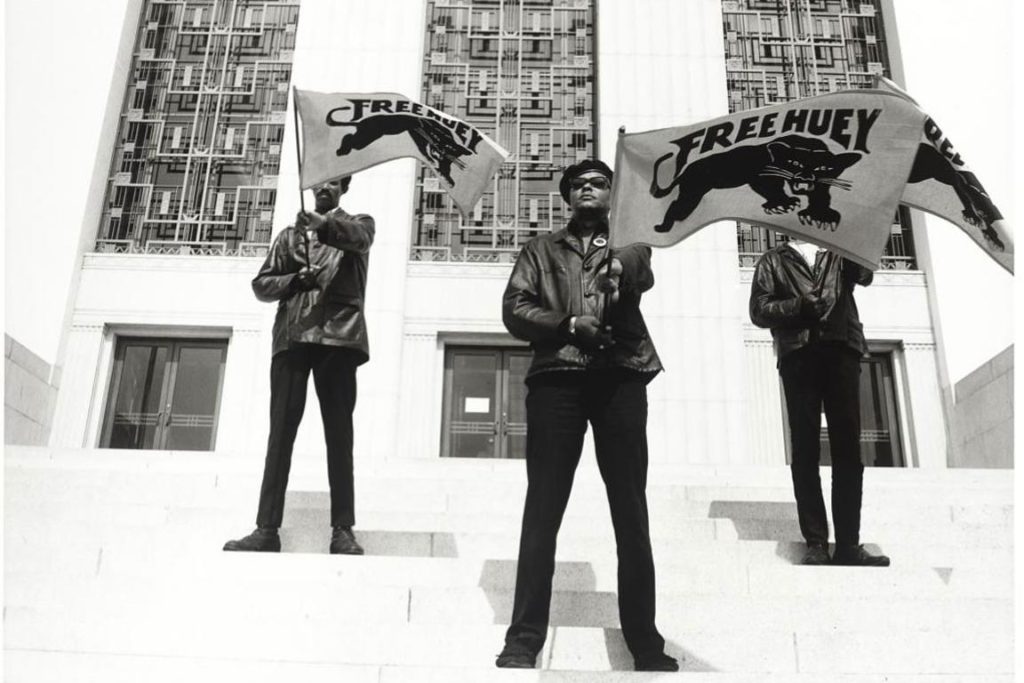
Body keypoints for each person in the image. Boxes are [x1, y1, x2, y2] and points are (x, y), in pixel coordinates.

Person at [495, 159, 678, 672]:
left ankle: (644, 639)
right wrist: (569, 323)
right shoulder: (539, 250)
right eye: (578, 186)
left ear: (612, 194)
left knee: (630, 510)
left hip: (620, 376)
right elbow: (515, 309)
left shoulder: (632, 243)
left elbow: (641, 271)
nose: (587, 191)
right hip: (558, 378)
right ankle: (524, 636)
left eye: (598, 184)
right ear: (567, 197)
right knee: (543, 509)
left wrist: (619, 261)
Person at [224, 176, 373, 556]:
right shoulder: (289, 237)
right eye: (319, 183)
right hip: (292, 338)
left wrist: (322, 226)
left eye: (333, 183)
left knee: (339, 437)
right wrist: (294, 280)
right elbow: (261, 284)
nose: (325, 189)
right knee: (280, 435)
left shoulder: (359, 223)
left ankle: (343, 529)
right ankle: (266, 528)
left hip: (337, 337)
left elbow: (360, 238)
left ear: (345, 187)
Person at [749, 237, 889, 567]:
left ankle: (848, 545)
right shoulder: (773, 260)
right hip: (798, 354)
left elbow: (865, 275)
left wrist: (854, 242)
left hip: (841, 348)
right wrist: (798, 307)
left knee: (848, 449)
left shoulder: (840, 250)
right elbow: (758, 310)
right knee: (805, 448)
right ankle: (816, 542)